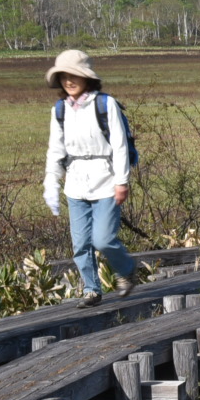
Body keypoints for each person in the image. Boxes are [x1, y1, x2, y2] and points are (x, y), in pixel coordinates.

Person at [42, 50, 140, 305]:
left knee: (103, 239)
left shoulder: (105, 104)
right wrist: (51, 183)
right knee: (81, 243)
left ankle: (127, 270)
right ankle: (91, 289)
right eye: (64, 76)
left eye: (74, 75)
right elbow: (56, 149)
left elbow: (119, 145)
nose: (69, 81)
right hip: (75, 184)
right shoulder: (60, 110)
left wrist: (122, 181)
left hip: (106, 181)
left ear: (87, 78)